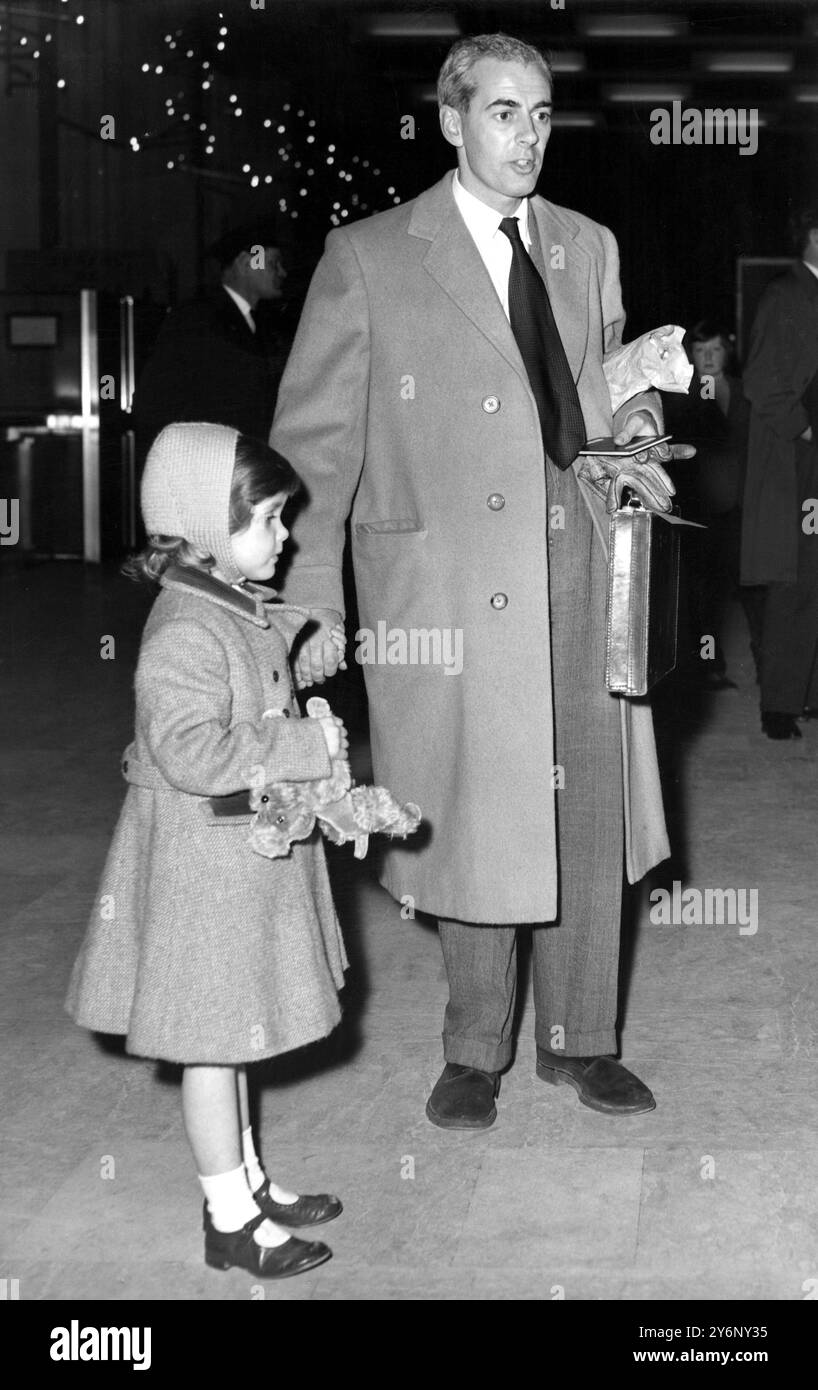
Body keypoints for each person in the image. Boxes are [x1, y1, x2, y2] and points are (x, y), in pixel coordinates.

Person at [272, 33, 692, 1129]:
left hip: (582, 559)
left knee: (583, 805)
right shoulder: (368, 255)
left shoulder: (583, 245)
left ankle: (580, 1040)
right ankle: (472, 1048)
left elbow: (599, 390)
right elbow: (313, 446)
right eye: (504, 113)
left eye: (543, 114)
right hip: (450, 589)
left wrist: (641, 422)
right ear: (451, 121)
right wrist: (308, 592)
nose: (528, 136)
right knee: (475, 810)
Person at [65, 423, 349, 1278]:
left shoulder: (227, 602)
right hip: (200, 868)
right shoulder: (186, 627)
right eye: (267, 518)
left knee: (235, 1034)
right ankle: (230, 1218)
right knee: (211, 1045)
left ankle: (251, 1181)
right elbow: (189, 750)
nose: (286, 535)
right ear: (204, 528)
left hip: (233, 859)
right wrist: (305, 747)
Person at [741, 208, 818, 738]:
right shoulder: (787, 294)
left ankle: (803, 696)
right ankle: (781, 707)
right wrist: (805, 430)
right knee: (796, 582)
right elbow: (761, 380)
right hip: (799, 461)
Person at [132, 219, 289, 460]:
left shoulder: (262, 326)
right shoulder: (197, 319)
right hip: (208, 464)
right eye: (273, 263)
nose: (281, 272)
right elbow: (159, 399)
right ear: (247, 263)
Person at [662, 320, 760, 686]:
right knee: (702, 591)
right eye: (700, 350)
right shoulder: (679, 395)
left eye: (714, 349)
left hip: (742, 508)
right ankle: (706, 668)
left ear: (726, 352)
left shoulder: (745, 391)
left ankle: (766, 670)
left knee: (744, 589)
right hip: (698, 509)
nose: (707, 357)